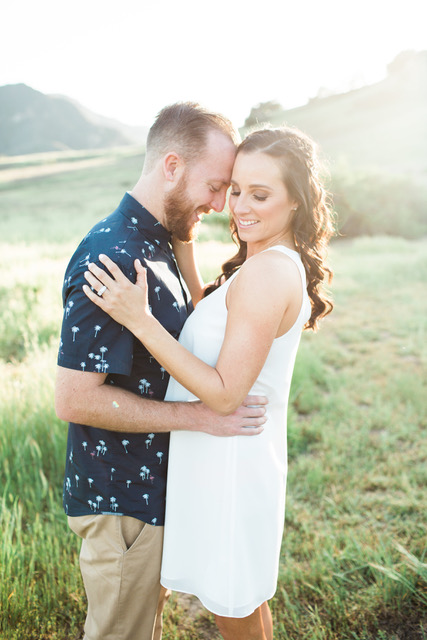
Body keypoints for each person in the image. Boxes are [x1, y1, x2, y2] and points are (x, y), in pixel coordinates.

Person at [82, 125, 334, 640]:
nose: (238, 205)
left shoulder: (268, 273)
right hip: (231, 453)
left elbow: (222, 392)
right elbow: (213, 326)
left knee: (233, 607)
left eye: (260, 195)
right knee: (243, 598)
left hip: (231, 460)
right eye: (235, 188)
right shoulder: (265, 264)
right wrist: (185, 245)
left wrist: (139, 318)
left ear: (296, 203)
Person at [54, 102, 268, 640]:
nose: (221, 205)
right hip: (122, 500)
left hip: (151, 493)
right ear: (171, 166)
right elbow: (75, 399)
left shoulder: (158, 240)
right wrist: (202, 418)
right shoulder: (115, 256)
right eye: (216, 186)